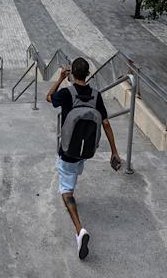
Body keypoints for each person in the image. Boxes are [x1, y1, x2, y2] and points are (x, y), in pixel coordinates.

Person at [46, 57, 121, 260]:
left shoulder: (66, 93)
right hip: (85, 151)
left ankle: (80, 231)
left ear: (72, 74)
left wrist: (60, 78)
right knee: (72, 176)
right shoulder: (96, 96)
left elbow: (48, 98)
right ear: (88, 74)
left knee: (66, 191)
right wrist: (114, 151)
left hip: (68, 152)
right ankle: (71, 191)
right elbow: (105, 123)